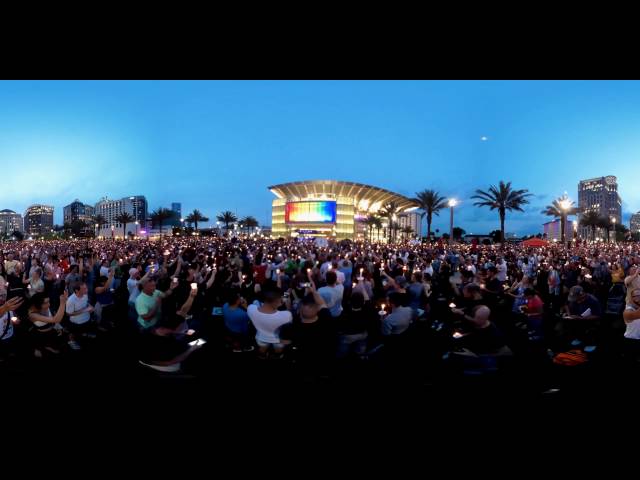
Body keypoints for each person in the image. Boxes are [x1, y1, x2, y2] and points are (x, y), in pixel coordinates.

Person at [247, 288, 293, 359]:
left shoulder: (251, 308)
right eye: (280, 299)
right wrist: (288, 306)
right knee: (278, 351)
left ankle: (262, 356)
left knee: (262, 350)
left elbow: (274, 302)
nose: (281, 301)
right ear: (277, 301)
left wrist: (286, 294)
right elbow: (289, 319)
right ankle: (276, 356)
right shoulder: (286, 315)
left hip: (261, 337)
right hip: (278, 340)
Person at [28, 291, 68, 357]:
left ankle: (47, 347)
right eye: (45, 303)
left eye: (48, 301)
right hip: (42, 335)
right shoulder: (33, 314)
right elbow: (56, 319)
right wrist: (63, 303)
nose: (49, 304)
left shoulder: (45, 307)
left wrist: (58, 326)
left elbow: (53, 317)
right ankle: (40, 348)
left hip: (51, 330)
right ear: (38, 304)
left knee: (54, 344)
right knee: (44, 345)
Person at [336, 291, 372, 359]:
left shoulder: (345, 312)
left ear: (351, 302)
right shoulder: (367, 310)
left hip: (348, 335)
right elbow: (368, 301)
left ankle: (342, 356)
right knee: (361, 346)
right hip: (363, 334)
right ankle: (360, 354)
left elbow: (341, 324)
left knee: (343, 348)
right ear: (363, 302)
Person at [64, 282, 95, 350]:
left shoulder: (85, 294)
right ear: (77, 290)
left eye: (86, 288)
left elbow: (86, 303)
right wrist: (85, 310)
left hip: (86, 319)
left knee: (85, 329)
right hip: (76, 322)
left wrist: (90, 307)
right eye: (84, 289)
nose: (87, 290)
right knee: (73, 333)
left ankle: (85, 334)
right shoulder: (71, 300)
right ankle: (71, 341)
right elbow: (68, 314)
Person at [622, 288, 640, 359]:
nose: (638, 297)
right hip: (631, 342)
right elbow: (636, 314)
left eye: (639, 295)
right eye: (635, 296)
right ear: (631, 299)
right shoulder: (628, 311)